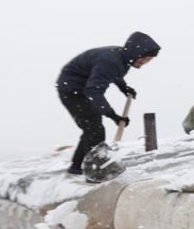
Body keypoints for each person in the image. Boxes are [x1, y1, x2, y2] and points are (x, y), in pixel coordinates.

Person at [55, 31, 161, 175]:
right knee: (94, 128)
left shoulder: (123, 58)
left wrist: (124, 87)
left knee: (91, 127)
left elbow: (113, 73)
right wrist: (113, 115)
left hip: (82, 89)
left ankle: (77, 166)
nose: (144, 63)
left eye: (148, 60)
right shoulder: (111, 60)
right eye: (144, 58)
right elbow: (93, 90)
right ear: (135, 53)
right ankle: (95, 172)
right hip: (72, 90)